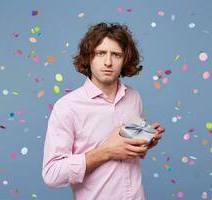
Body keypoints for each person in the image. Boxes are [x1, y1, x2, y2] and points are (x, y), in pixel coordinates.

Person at [42, 22, 165, 200]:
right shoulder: (67, 107)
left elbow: (127, 152)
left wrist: (145, 142)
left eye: (116, 55)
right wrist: (106, 152)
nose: (108, 62)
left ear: (125, 59)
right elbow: (52, 174)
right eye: (100, 53)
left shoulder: (134, 97)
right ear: (89, 57)